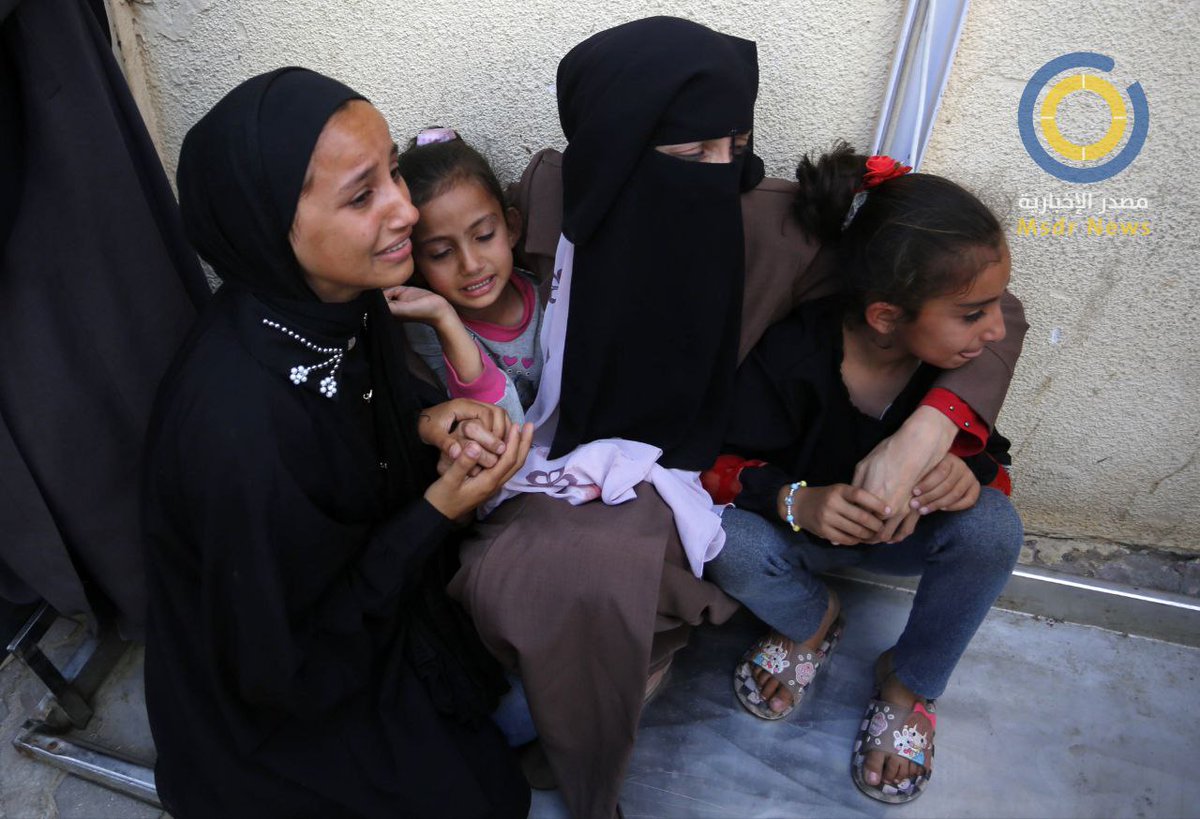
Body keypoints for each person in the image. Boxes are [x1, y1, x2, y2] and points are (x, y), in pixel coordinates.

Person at [142, 67, 534, 817]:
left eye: (393, 171)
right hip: (288, 695)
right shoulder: (238, 432)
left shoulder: (344, 301)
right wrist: (438, 506)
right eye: (363, 195)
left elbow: (362, 407)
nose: (405, 210)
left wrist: (425, 418)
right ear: (269, 226)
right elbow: (283, 662)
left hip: (373, 614)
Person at [447, 17, 763, 818]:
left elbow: (963, 290)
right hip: (548, 453)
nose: (722, 170)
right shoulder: (555, 201)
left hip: (679, 475)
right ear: (623, 145)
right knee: (499, 658)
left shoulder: (762, 217)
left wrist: (938, 419)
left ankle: (588, 748)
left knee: (571, 600)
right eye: (692, 154)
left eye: (735, 144)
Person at [703, 144, 1025, 804]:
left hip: (901, 540)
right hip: (791, 535)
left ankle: (909, 682)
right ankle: (812, 620)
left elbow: (997, 466)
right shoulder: (794, 353)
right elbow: (712, 469)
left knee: (994, 527)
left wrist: (967, 474)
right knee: (720, 539)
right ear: (885, 316)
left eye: (995, 306)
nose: (997, 329)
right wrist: (796, 500)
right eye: (975, 312)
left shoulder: (952, 367)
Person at [386, 130, 541, 424]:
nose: (470, 265)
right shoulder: (427, 331)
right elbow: (502, 430)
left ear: (511, 227)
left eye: (483, 236)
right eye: (441, 253)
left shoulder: (550, 297)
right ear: (416, 263)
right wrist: (445, 321)